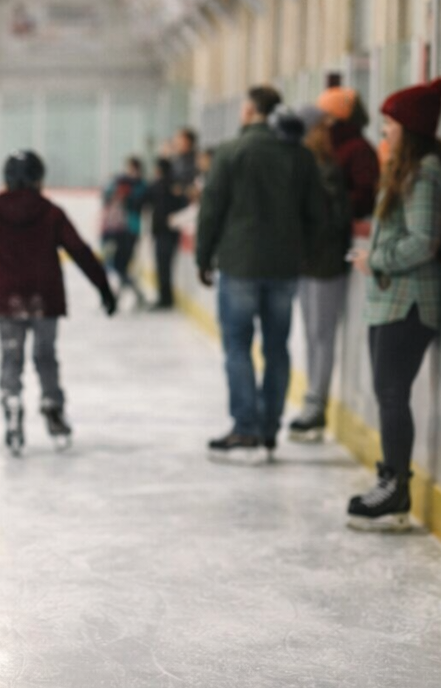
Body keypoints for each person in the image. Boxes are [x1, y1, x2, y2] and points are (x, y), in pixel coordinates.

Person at [0, 150, 117, 455]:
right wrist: (104, 288)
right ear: (38, 179)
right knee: (45, 356)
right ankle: (52, 405)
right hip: (44, 299)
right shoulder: (50, 212)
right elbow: (80, 250)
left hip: (9, 299)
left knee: (11, 357)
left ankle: (12, 403)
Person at [348, 79, 441, 530]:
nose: (384, 133)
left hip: (409, 302)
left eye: (390, 125)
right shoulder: (408, 172)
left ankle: (396, 488)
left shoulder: (423, 177)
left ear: (410, 130)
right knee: (387, 393)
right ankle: (390, 480)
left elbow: (422, 242)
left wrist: (374, 258)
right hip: (391, 298)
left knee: (392, 394)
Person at [195, 86, 325, 463]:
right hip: (284, 267)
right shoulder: (299, 156)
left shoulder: (231, 152)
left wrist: (204, 258)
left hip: (238, 264)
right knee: (276, 347)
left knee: (237, 345)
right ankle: (269, 429)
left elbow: (211, 208)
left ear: (250, 109)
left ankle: (245, 428)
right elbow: (317, 213)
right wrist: (306, 256)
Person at [288, 105, 353, 442]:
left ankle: (316, 403)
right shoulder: (306, 166)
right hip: (307, 262)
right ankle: (312, 401)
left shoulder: (326, 168)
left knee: (322, 333)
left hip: (325, 263)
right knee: (312, 333)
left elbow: (331, 220)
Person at [316, 86, 381, 221]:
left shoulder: (359, 150)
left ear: (336, 118)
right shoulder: (335, 146)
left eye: (325, 117)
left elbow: (366, 196)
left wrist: (328, 203)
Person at [140, 157, 188, 310]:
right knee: (164, 266)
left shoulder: (160, 185)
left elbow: (143, 200)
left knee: (163, 266)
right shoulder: (174, 184)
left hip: (164, 232)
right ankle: (165, 297)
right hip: (169, 232)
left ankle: (165, 299)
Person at [99, 156, 147, 309]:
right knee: (115, 266)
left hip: (130, 232)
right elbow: (105, 198)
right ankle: (119, 297)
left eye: (132, 168)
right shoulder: (118, 185)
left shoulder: (139, 186)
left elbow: (137, 203)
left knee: (122, 267)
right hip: (114, 232)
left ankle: (128, 296)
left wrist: (127, 192)